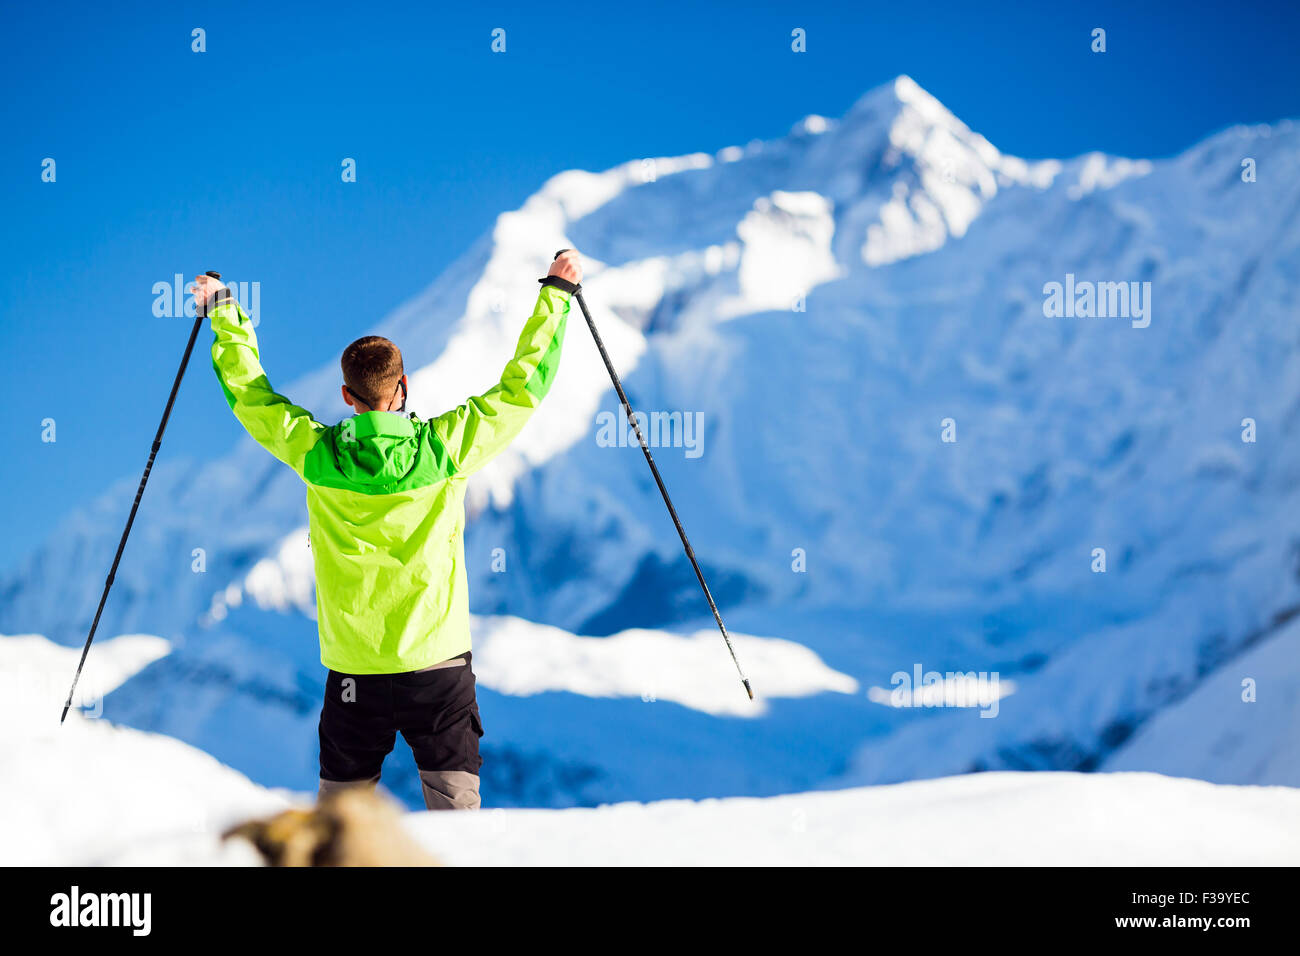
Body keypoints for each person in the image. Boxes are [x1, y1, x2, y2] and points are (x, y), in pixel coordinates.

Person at [191, 250, 582, 810]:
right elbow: (521, 390)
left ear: (347, 396)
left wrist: (224, 310)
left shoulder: (316, 454)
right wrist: (557, 296)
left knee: (342, 831)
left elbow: (251, 396)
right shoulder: (447, 448)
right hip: (438, 668)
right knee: (456, 830)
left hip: (355, 674)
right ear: (403, 386)